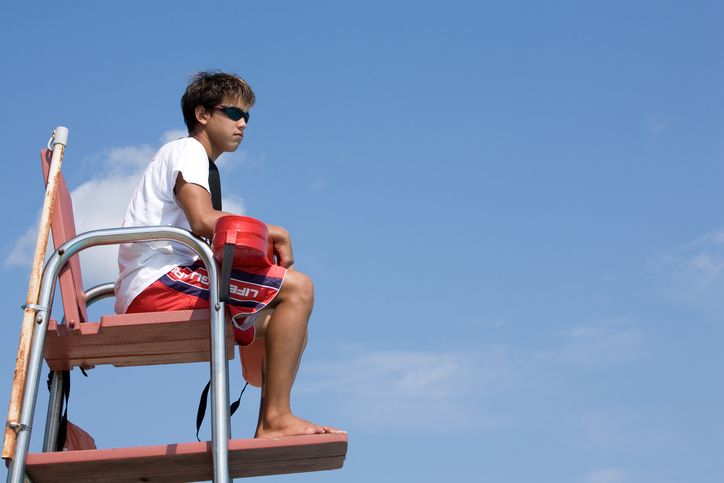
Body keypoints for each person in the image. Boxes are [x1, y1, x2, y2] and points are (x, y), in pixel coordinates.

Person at [114, 70, 340, 438]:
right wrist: (275, 232)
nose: (243, 123)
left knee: (286, 322)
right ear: (202, 114)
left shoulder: (195, 160)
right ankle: (275, 419)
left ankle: (273, 414)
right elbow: (203, 220)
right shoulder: (187, 150)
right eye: (234, 113)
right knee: (298, 289)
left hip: (161, 280)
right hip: (158, 282)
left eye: (248, 116)